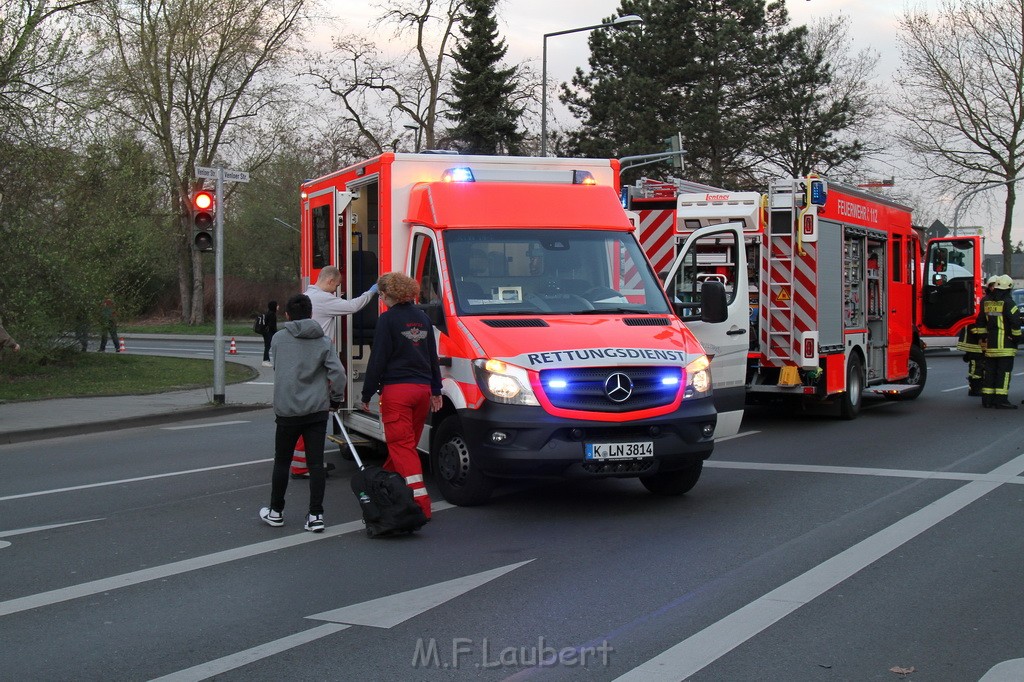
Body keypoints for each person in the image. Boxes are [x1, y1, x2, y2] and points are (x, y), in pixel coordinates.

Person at [359, 273, 442, 520]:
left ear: (387, 295)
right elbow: (431, 356)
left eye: (382, 295)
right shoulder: (423, 318)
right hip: (422, 391)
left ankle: (421, 504)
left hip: (397, 391)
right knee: (405, 447)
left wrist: (367, 392)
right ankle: (387, 490)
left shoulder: (387, 320)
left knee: (401, 447)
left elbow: (378, 359)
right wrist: (436, 389)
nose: (382, 299)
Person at [259, 293, 345, 532]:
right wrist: (335, 400)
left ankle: (276, 511)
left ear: (287, 315)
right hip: (316, 410)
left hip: (287, 411)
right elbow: (338, 375)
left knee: (282, 461)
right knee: (316, 464)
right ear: (311, 314)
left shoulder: (278, 339)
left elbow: (278, 367)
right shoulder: (324, 341)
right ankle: (316, 515)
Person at [977, 274, 1021, 409]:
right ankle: (1001, 400)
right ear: (1008, 289)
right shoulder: (1009, 303)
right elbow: (1015, 323)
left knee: (990, 372)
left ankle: (987, 400)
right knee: (1004, 373)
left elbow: (980, 322)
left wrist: (983, 337)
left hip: (991, 345)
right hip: (1005, 346)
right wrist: (1016, 339)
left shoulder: (987, 302)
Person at [304, 265, 377, 343]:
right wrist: (371, 292)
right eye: (337, 286)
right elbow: (353, 306)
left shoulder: (305, 295)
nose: (335, 290)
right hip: (322, 350)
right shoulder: (323, 298)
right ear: (330, 281)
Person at [957, 275, 998, 397]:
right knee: (977, 365)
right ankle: (975, 388)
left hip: (979, 337)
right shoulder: (983, 301)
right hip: (973, 339)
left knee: (980, 364)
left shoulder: (987, 300)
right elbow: (977, 322)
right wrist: (982, 335)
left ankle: (976, 387)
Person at [260, 300, 278, 367]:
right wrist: (276, 332)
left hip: (266, 332)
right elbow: (272, 325)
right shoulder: (272, 314)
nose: (278, 306)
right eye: (277, 305)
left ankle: (267, 360)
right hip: (269, 333)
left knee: (267, 346)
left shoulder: (268, 313)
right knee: (267, 346)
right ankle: (265, 360)